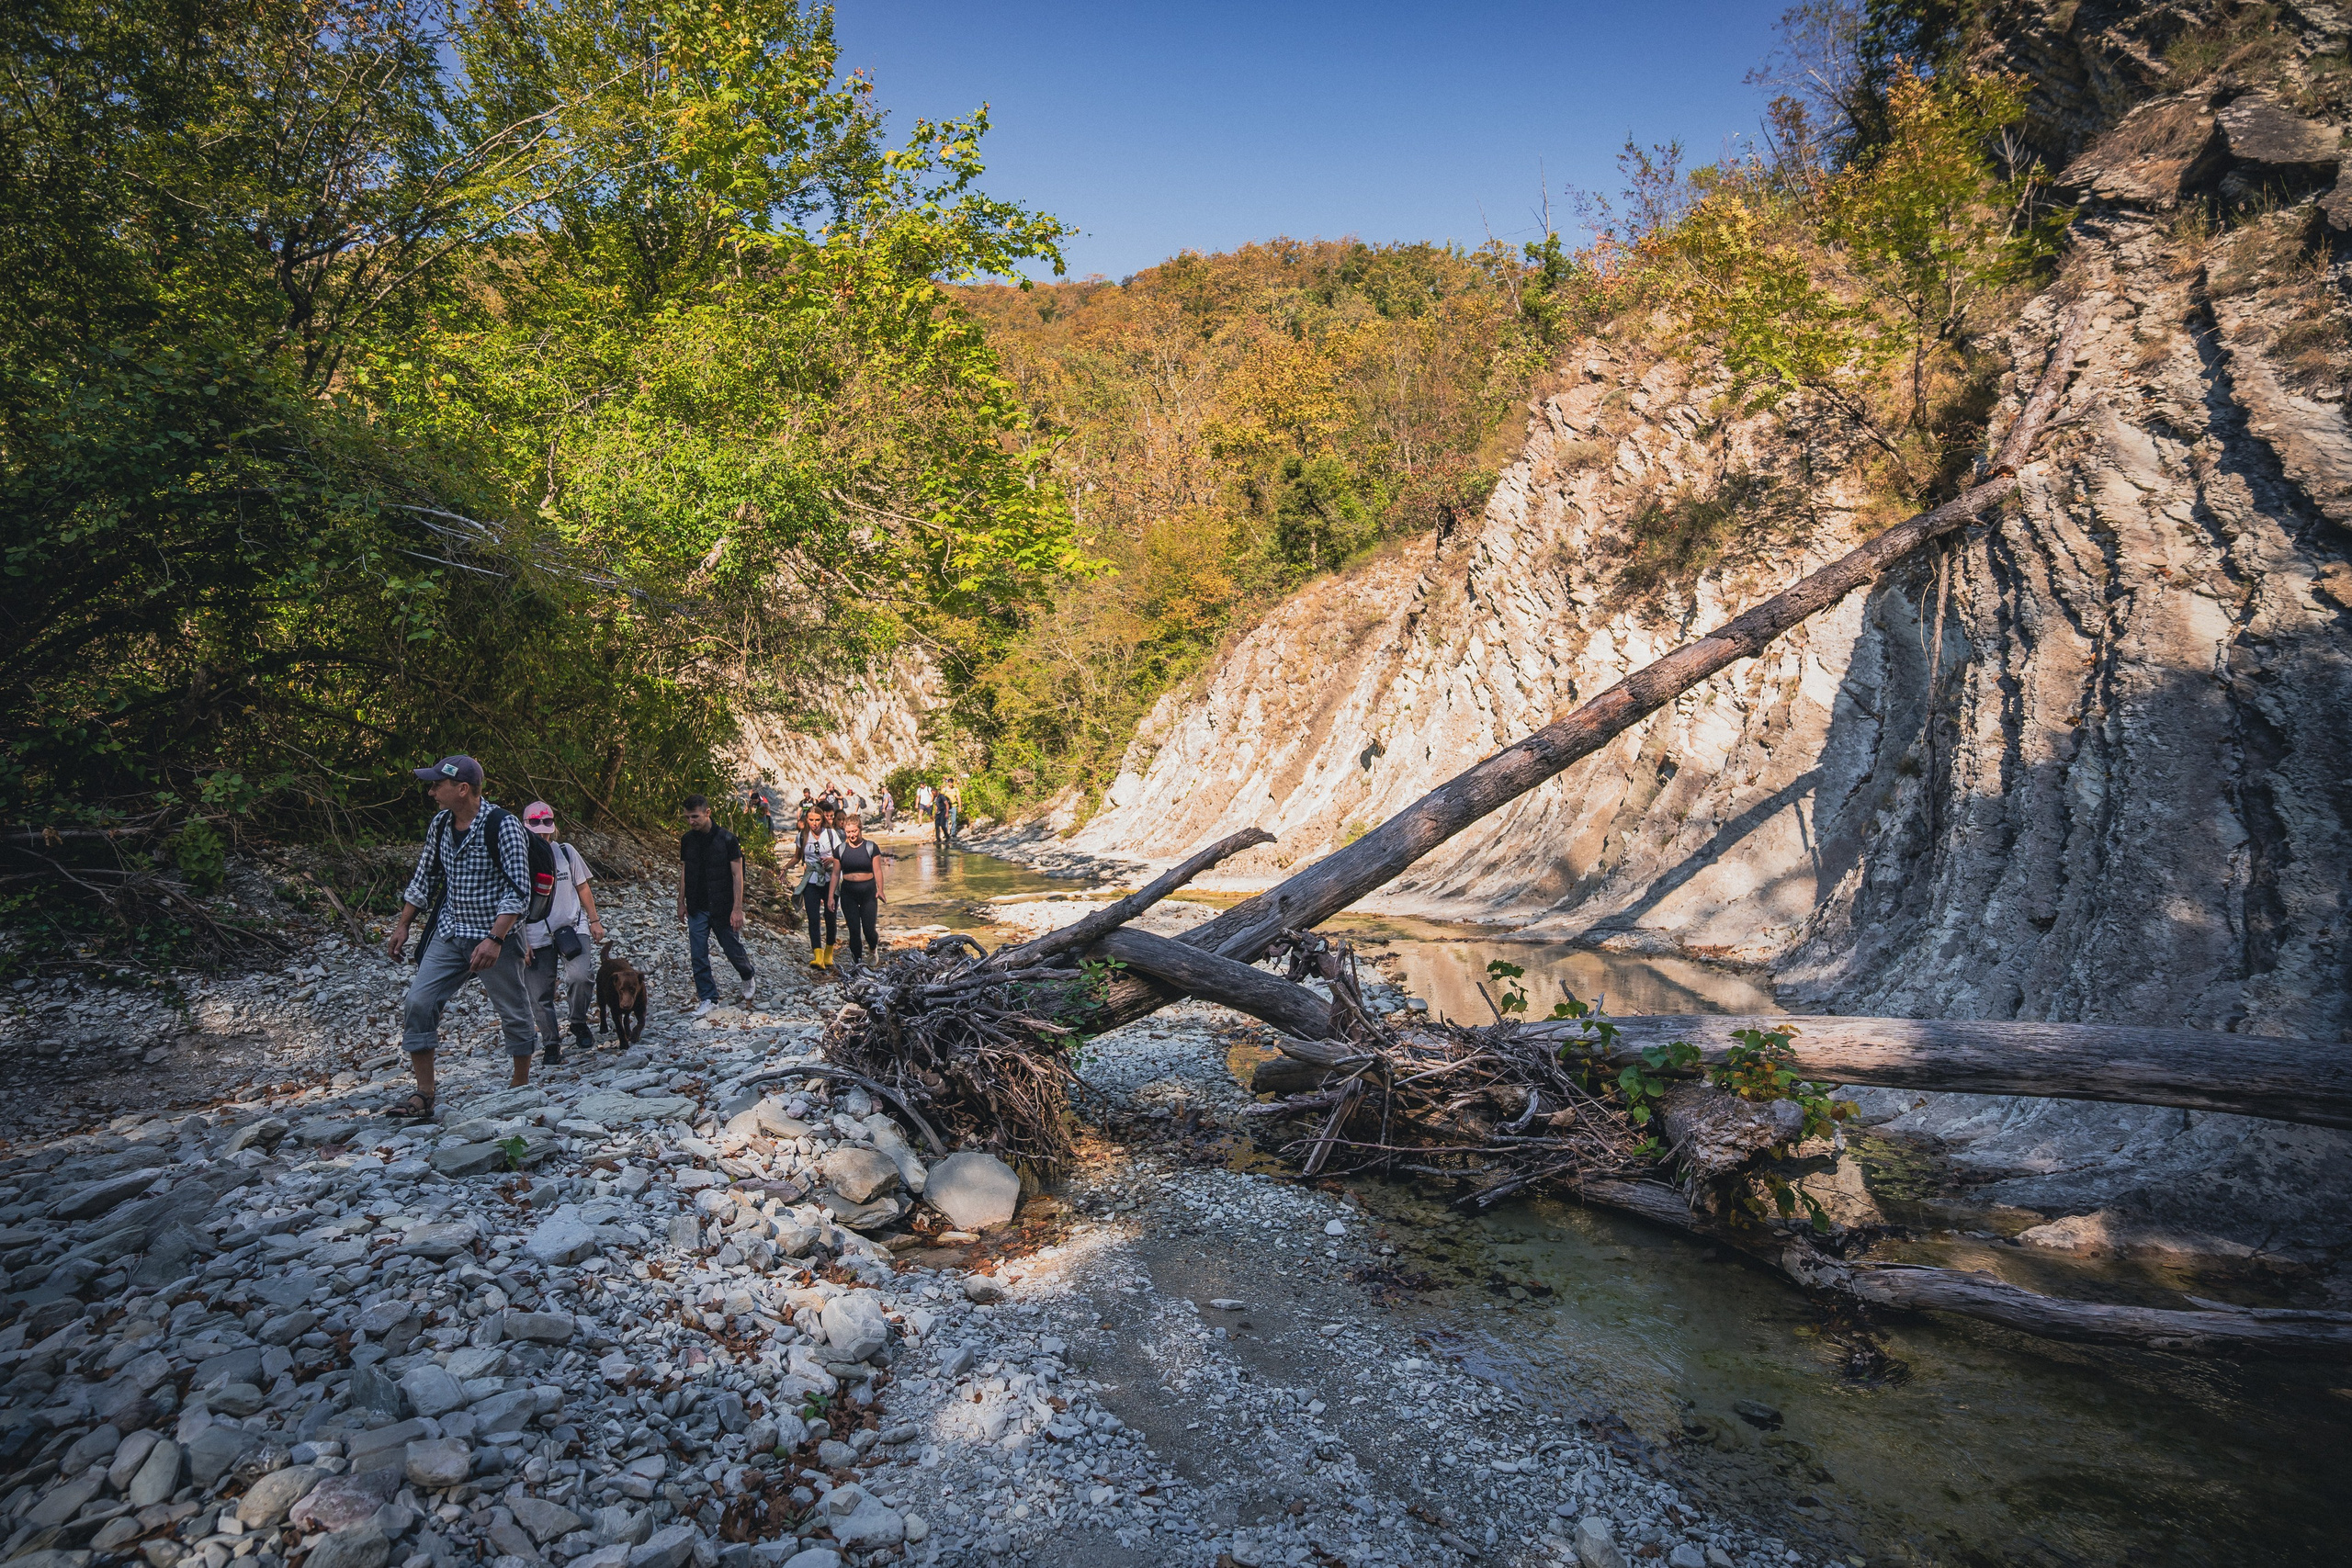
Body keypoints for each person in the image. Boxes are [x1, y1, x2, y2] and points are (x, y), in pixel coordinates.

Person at [384, 755, 541, 1115]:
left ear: (462, 788)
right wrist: (405, 923)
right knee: (419, 1003)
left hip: (495, 935)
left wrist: (496, 939)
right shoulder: (440, 824)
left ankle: (520, 1087)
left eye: (437, 784)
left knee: (514, 1010)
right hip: (451, 930)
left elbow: (519, 891)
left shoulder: (504, 826)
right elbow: (426, 875)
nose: (432, 791)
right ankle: (424, 1094)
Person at [519, 800, 604, 1064]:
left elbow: (582, 887)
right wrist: (521, 941)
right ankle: (551, 1042)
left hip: (571, 926)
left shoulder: (566, 852)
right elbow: (512, 903)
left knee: (580, 976)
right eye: (537, 830)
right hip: (534, 933)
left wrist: (594, 920)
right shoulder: (516, 858)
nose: (542, 835)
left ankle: (578, 1021)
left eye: (546, 830)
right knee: (539, 993)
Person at [678, 794, 756, 1017]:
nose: (691, 822)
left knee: (732, 949)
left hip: (722, 905)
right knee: (698, 953)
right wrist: (680, 901)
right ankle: (708, 998)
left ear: (707, 813)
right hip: (697, 905)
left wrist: (738, 908)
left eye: (695, 817)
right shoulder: (687, 840)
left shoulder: (728, 839)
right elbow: (685, 871)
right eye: (687, 818)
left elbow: (737, 874)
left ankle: (747, 973)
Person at [829, 813, 886, 967]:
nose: (851, 835)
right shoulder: (840, 850)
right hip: (848, 892)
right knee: (854, 929)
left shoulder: (871, 847)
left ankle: (873, 949)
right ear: (845, 831)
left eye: (854, 831)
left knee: (869, 930)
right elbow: (835, 874)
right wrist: (831, 897)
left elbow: (878, 871)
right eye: (848, 832)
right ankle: (857, 962)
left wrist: (880, 890)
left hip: (868, 892)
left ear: (860, 829)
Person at [793, 806, 842, 968]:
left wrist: (831, 859)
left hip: (830, 879)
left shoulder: (831, 834)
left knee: (830, 917)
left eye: (818, 820)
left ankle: (829, 954)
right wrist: (784, 868)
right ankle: (817, 955)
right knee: (813, 918)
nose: (814, 823)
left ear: (823, 820)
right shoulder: (802, 836)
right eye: (811, 820)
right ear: (807, 820)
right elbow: (797, 857)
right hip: (811, 881)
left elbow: (841, 856)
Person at [932, 783, 950, 849]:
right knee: (937, 826)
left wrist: (947, 813)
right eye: (932, 793)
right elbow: (936, 805)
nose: (933, 794)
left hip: (943, 811)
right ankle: (938, 839)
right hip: (938, 812)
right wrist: (935, 813)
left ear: (936, 791)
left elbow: (947, 804)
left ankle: (947, 837)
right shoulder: (935, 798)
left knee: (942, 825)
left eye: (934, 792)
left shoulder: (942, 796)